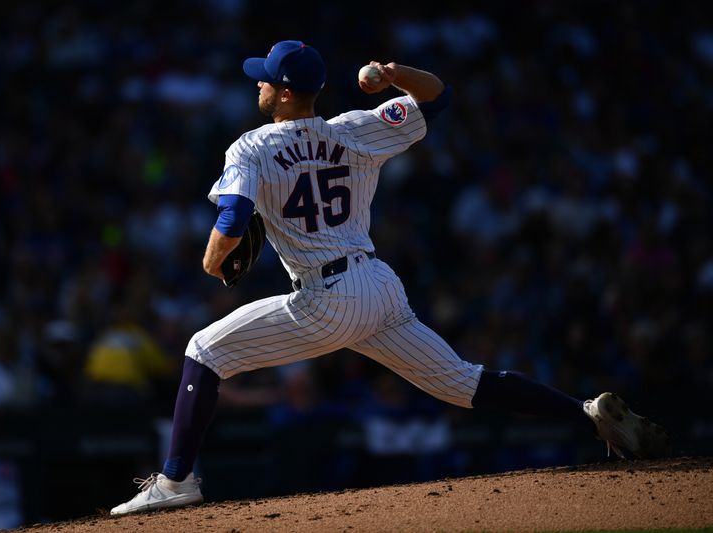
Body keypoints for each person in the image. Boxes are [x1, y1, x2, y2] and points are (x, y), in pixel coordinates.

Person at [111, 41, 669, 515]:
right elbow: (439, 97)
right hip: (377, 284)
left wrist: (213, 260)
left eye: (263, 81)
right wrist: (394, 75)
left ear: (283, 92)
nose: (255, 87)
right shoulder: (355, 129)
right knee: (461, 382)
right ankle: (585, 414)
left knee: (204, 350)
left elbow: (232, 218)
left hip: (325, 298)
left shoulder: (253, 146)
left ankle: (176, 482)